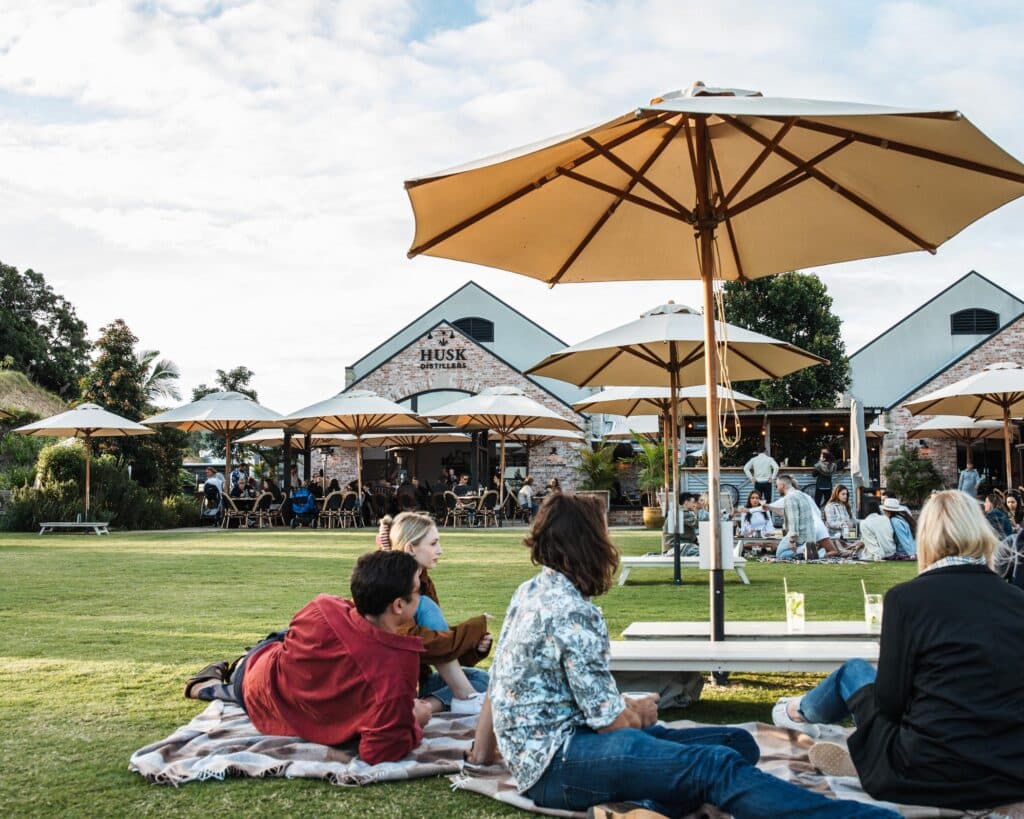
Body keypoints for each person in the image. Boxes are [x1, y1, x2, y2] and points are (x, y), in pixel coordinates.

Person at [465, 493, 897, 818]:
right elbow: (611, 722)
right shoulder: (574, 612)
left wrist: (480, 758)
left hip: (552, 752)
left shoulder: (529, 592)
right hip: (561, 761)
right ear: (590, 545)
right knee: (716, 765)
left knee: (736, 742)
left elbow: (499, 682)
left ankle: (644, 807)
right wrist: (639, 711)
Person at [772, 490, 1024, 811]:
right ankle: (807, 717)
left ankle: (796, 713)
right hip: (1007, 775)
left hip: (924, 774)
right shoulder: (1016, 599)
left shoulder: (907, 600)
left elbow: (890, 701)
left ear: (926, 536)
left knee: (855, 672)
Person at [183, 550, 431, 764]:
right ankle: (206, 686)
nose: (422, 596)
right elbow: (379, 751)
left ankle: (236, 664)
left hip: (266, 667)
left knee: (276, 641)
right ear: (399, 605)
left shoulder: (323, 608)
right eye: (419, 590)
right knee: (249, 669)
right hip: (256, 686)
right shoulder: (395, 672)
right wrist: (416, 721)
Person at [380, 512, 490, 715]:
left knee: (485, 679)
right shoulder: (390, 588)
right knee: (425, 605)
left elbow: (440, 642)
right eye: (433, 544)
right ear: (411, 548)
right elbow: (419, 641)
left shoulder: (423, 581)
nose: (440, 550)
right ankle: (443, 702)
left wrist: (475, 646)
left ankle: (430, 704)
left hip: (420, 678)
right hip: (395, 684)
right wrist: (472, 630)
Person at [774, 475, 840, 559]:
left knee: (780, 555)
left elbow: (793, 520)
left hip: (800, 537)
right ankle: (809, 551)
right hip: (810, 535)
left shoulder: (789, 498)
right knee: (783, 552)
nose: (777, 488)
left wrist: (792, 540)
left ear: (782, 486)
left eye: (777, 486)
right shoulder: (802, 495)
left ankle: (810, 553)